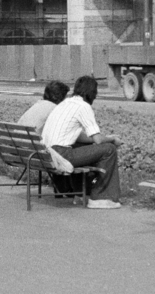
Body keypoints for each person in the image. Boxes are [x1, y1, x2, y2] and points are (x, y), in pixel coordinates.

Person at [39, 75, 122, 209]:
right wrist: (112, 138)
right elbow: (98, 139)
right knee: (109, 149)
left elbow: (78, 137)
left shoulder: (64, 103)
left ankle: (81, 194)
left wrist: (96, 140)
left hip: (47, 153)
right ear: (92, 93)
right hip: (61, 155)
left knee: (83, 146)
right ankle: (100, 198)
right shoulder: (83, 107)